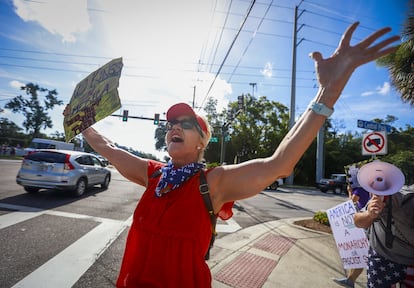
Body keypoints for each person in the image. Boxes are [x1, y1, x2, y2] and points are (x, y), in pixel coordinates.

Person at [65, 22, 399, 287]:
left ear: (201, 142)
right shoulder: (152, 174)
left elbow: (279, 164)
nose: (173, 127)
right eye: (170, 124)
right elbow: (108, 148)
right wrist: (82, 122)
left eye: (185, 123)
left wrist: (328, 92)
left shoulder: (214, 181)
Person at [354, 161, 414, 288]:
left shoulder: (406, 199)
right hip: (382, 259)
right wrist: (370, 214)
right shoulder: (379, 200)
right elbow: (358, 221)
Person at [334, 164, 371, 288]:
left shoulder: (358, 189)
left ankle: (350, 280)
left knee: (360, 253)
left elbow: (352, 202)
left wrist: (350, 191)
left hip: (362, 222)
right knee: (357, 252)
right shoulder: (367, 187)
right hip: (367, 220)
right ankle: (350, 279)